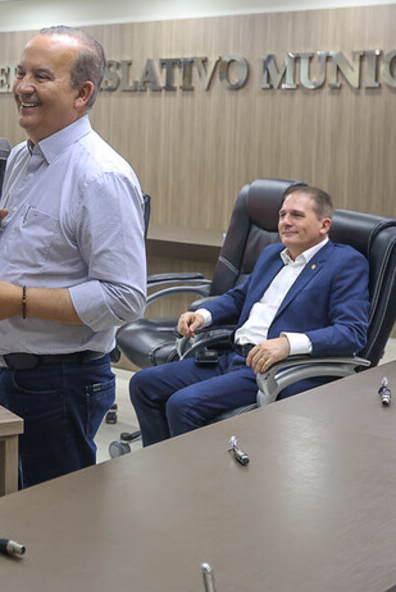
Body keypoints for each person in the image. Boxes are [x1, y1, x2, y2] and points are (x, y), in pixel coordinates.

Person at [0, 26, 147, 488]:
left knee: (61, 532)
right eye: (20, 72)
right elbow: (39, 249)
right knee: (18, 518)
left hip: (59, 385)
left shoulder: (100, 176)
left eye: (41, 76)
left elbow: (124, 298)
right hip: (8, 373)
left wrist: (19, 300)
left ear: (82, 93)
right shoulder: (22, 156)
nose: (22, 86)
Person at [129, 185, 369, 446]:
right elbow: (240, 297)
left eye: (297, 215)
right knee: (144, 384)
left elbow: (351, 332)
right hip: (232, 356)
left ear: (324, 225)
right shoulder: (272, 255)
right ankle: (163, 470)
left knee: (183, 404)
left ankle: (199, 484)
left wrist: (288, 344)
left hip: (271, 369)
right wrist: (203, 315)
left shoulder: (345, 263)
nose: (285, 222)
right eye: (282, 215)